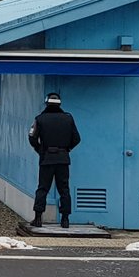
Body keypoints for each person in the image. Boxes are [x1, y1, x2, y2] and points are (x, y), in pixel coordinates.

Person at [29, 91, 81, 228]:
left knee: (42, 188)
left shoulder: (40, 119)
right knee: (64, 189)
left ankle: (38, 218)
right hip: (63, 158)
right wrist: (66, 149)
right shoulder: (68, 118)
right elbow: (77, 139)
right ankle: (65, 219)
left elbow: (32, 138)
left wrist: (40, 150)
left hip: (47, 158)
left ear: (46, 103)